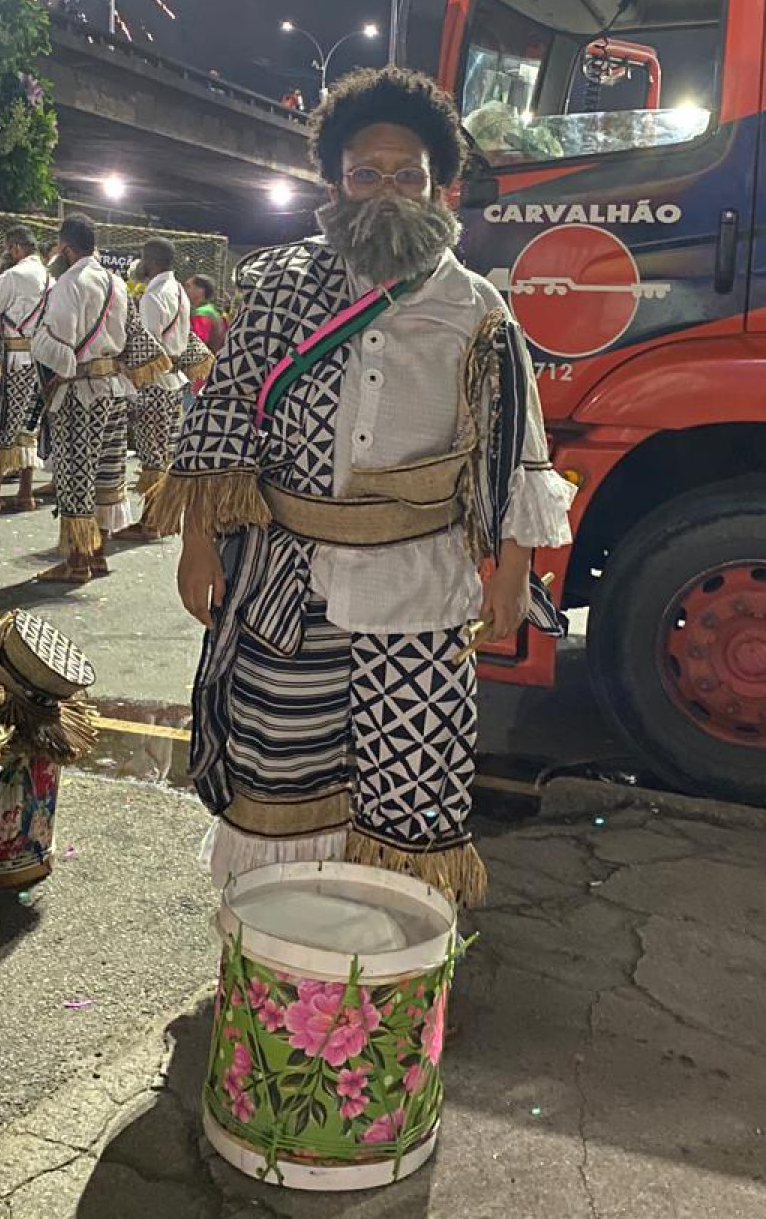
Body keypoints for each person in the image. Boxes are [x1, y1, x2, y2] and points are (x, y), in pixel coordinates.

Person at [153, 67, 575, 903]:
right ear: (335, 185)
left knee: (409, 786)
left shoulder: (477, 307)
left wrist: (513, 570)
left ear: (441, 188)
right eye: (366, 174)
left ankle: (376, 943)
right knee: (280, 774)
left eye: (407, 175)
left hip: (421, 586)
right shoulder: (281, 285)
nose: (387, 191)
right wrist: (198, 544)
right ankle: (280, 935)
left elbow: (514, 451)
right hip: (285, 580)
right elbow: (227, 413)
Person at [29, 214, 167, 584]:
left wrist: (48, 355)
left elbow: (56, 341)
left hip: (81, 393)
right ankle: (98, 555)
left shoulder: (69, 282)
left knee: (76, 475)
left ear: (65, 248)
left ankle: (76, 562)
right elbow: (133, 335)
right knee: (107, 474)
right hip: (114, 390)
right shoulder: (115, 281)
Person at [118, 238, 193, 539]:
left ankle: (151, 522)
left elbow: (145, 349)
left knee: (151, 456)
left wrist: (130, 383)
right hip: (174, 382)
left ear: (149, 261)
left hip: (155, 384)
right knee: (163, 454)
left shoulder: (153, 296)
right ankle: (162, 518)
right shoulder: (179, 290)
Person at [0, 224, 51, 512]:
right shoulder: (50, 278)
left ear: (15, 248)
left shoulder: (12, 276)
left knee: (0, 423)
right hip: (38, 361)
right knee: (28, 426)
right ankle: (25, 493)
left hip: (11, 359)